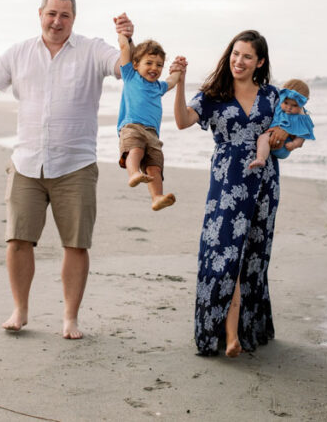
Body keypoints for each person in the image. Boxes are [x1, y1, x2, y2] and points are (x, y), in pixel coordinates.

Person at [0, 0, 133, 340]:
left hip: (75, 164)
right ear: (40, 14)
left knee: (76, 244)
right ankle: (20, 309)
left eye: (64, 15)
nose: (57, 21)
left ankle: (70, 319)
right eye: (51, 14)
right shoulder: (18, 53)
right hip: (27, 163)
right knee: (18, 240)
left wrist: (126, 39)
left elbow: (125, 70)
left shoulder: (92, 50)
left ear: (73, 19)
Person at [172, 30, 288, 357]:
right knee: (224, 256)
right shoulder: (214, 94)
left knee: (253, 258)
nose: (239, 61)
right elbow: (181, 121)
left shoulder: (272, 96)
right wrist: (179, 82)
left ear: (259, 62)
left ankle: (246, 332)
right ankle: (221, 334)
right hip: (226, 184)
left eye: (247, 56)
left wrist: (281, 132)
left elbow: (297, 126)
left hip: (264, 181)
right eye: (236, 54)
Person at [116, 34, 182, 211]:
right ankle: (134, 173)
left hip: (152, 134)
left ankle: (157, 197)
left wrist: (178, 69)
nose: (154, 68)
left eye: (159, 65)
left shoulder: (158, 87)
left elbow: (172, 81)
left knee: (155, 165)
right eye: (149, 63)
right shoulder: (130, 76)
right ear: (136, 65)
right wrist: (123, 34)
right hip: (132, 127)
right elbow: (124, 49)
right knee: (135, 149)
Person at [248, 79, 316, 169]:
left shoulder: (302, 117)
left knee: (301, 136)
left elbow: (305, 134)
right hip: (270, 139)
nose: (289, 107)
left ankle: (262, 157)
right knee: (263, 137)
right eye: (286, 103)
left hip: (285, 147)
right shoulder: (279, 105)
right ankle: (261, 158)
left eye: (294, 105)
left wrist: (294, 144)